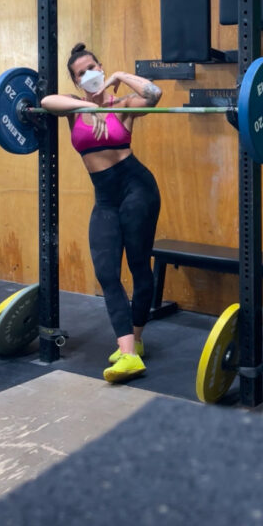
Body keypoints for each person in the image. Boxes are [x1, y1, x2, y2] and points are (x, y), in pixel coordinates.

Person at [41, 43, 162, 384]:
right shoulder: (71, 107)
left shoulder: (123, 104)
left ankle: (132, 346)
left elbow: (154, 94)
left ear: (101, 68)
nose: (88, 75)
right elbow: (46, 102)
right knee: (107, 271)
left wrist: (120, 77)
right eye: (81, 73)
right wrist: (85, 106)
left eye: (92, 67)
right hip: (105, 196)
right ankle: (129, 351)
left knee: (139, 265)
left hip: (137, 188)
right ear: (76, 82)